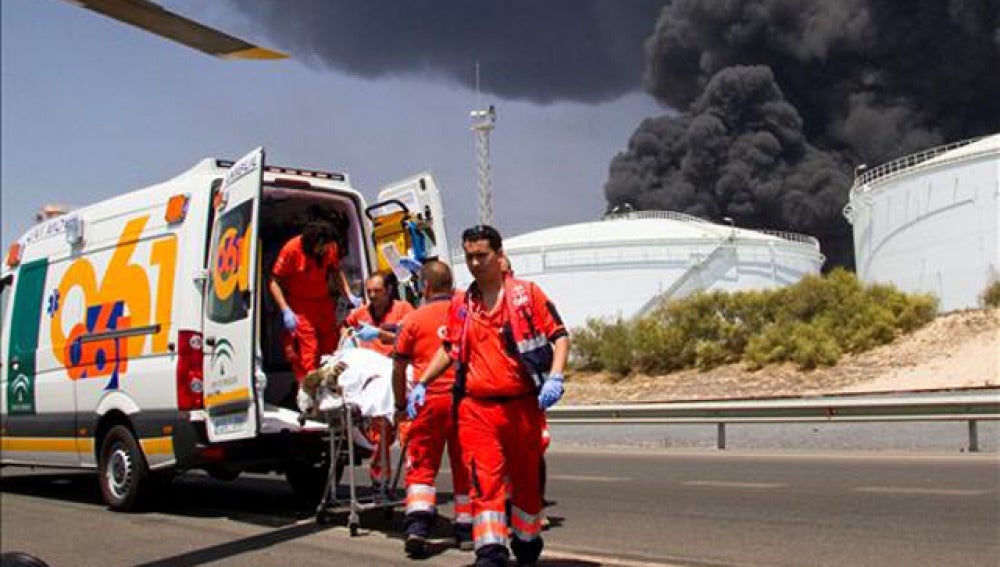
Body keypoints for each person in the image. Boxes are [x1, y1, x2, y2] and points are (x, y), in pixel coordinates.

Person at [411, 225, 569, 567]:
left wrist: (555, 376)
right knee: (486, 482)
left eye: (482, 255)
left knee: (526, 485)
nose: (475, 263)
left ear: (499, 256)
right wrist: (422, 381)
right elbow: (449, 349)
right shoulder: (461, 305)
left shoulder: (528, 295)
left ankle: (526, 541)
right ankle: (490, 552)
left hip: (522, 407)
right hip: (476, 409)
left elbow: (559, 336)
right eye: (469, 256)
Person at [392, 260, 472, 557]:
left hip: (429, 400)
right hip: (465, 399)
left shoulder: (412, 320)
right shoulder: (466, 312)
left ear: (424, 287)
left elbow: (398, 369)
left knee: (422, 464)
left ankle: (418, 527)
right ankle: (466, 528)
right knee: (465, 465)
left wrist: (401, 406)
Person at [345, 272, 414, 489]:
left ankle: (415, 477)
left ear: (389, 291)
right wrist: (347, 340)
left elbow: (410, 339)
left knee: (407, 429)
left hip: (398, 370)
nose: (372, 296)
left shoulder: (404, 310)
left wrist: (380, 334)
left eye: (377, 291)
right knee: (380, 431)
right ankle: (380, 479)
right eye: (369, 292)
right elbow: (347, 327)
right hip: (374, 376)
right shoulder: (361, 313)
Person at [270, 221, 358, 386]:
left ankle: (332, 388)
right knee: (307, 353)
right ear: (312, 243)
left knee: (332, 350)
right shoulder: (291, 250)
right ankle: (309, 393)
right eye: (323, 246)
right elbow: (274, 282)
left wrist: (348, 294)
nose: (326, 250)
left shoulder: (329, 247)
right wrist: (285, 310)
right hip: (300, 305)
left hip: (323, 302)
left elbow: (336, 270)